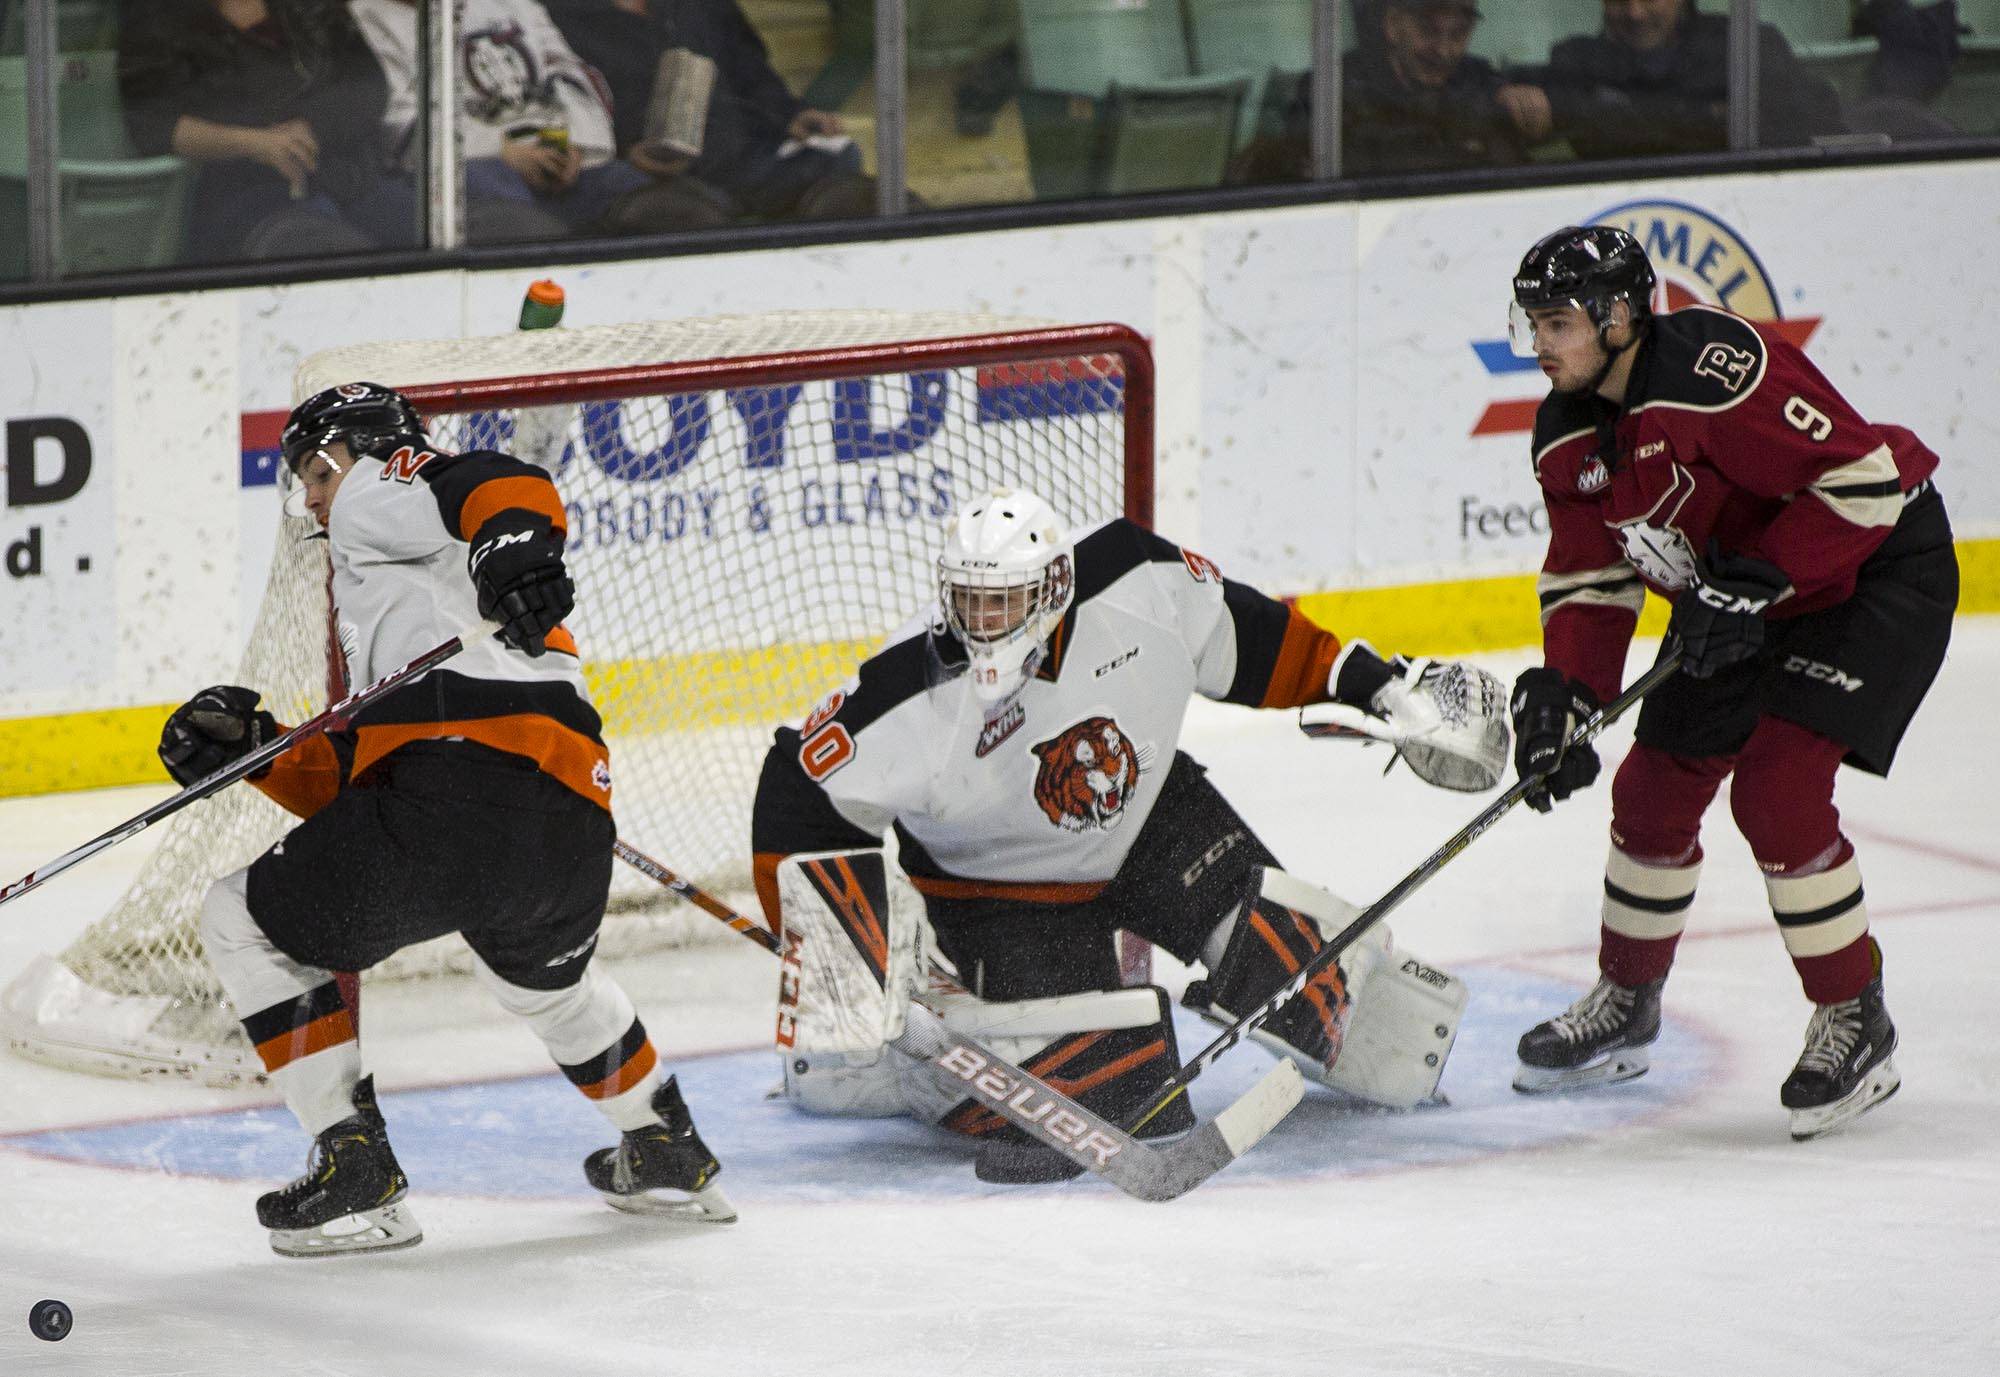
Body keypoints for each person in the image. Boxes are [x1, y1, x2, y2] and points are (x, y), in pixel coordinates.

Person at [750, 489, 1508, 1183]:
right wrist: (840, 956)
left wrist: (1378, 683)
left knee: (1318, 981)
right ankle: (904, 1073)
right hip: (1000, 895)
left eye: (1003, 604)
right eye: (969, 603)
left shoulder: (1136, 577)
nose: (982, 627)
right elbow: (798, 791)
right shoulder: (907, 689)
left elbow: (1254, 637)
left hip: (1156, 825)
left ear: (1051, 590)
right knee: (1120, 1083)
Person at [160, 382, 733, 1256]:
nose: (310, 497)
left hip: (456, 796)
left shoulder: (374, 492)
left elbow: (508, 484)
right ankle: (667, 1143)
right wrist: (262, 752)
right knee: (549, 987)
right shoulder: (415, 592)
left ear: (348, 453)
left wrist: (513, 540)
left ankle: (356, 1169)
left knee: (239, 915)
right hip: (570, 822)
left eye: (314, 472)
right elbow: (373, 788)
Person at [1503, 225, 1958, 1140]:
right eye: (1534, 325)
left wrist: (1766, 577)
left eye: (1556, 323)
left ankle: (1854, 1015)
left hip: (1867, 570)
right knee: (1652, 786)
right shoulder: (1565, 430)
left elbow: (1865, 480)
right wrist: (1570, 695)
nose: (1540, 346)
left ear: (1621, 316)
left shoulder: (1716, 370)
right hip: (1744, 596)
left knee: (1779, 790)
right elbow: (1593, 577)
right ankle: (1628, 999)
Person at [348, 0, 673, 241]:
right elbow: (401, 127)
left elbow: (570, 72)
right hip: (473, 169)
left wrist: (572, 144)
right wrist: (505, 153)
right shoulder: (364, 15)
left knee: (664, 209)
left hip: (558, 158)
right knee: (524, 228)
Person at [117, 0, 414, 263]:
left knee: (434, 232)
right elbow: (151, 126)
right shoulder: (158, 14)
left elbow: (367, 82)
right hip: (243, 197)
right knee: (320, 251)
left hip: (345, 178)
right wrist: (254, 143)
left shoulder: (308, 7)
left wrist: (308, 126)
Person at [543, 0, 877, 227]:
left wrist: (791, 116)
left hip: (746, 161)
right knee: (678, 211)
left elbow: (752, 73)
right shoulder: (553, 16)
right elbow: (557, 114)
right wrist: (626, 155)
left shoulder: (702, 5)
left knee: (840, 160)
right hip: (653, 179)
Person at [1231, 0, 1553, 183]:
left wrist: (1515, 98)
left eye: (1459, 33)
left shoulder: (1480, 78)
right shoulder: (1335, 86)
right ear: (1393, 24)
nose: (1444, 50)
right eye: (1428, 30)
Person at [1538, 0, 1848, 156]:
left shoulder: (1746, 47)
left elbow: (1816, 123)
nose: (1634, 13)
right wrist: (1711, 117)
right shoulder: (1574, 61)